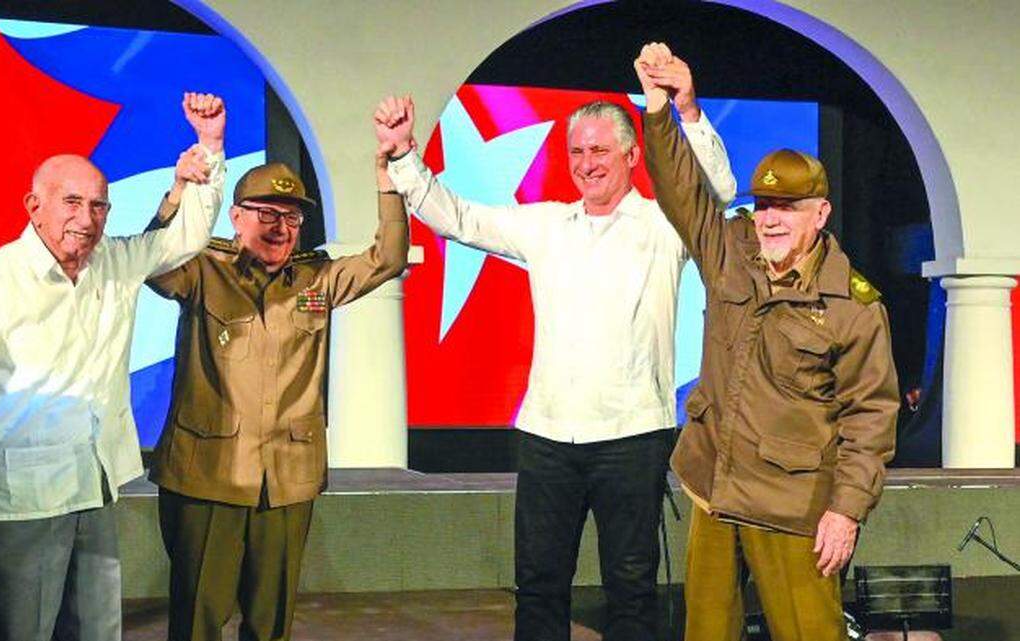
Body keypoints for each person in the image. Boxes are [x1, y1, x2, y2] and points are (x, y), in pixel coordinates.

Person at [374, 89, 736, 640]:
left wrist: (687, 112)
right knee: (540, 589)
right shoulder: (547, 225)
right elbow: (458, 218)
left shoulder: (664, 225)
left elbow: (717, 190)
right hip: (546, 438)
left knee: (631, 590)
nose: (586, 164)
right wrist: (402, 157)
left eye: (599, 152)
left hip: (633, 437)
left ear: (632, 156)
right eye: (576, 153)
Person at [0, 92, 227, 641]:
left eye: (99, 206)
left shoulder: (114, 261)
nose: (87, 219)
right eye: (72, 203)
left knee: (98, 634)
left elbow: (185, 238)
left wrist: (210, 145)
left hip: (94, 488)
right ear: (34, 206)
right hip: (18, 502)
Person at [635, 42, 899, 641]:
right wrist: (661, 112)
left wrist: (846, 511)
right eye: (763, 205)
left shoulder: (852, 307)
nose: (771, 218)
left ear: (820, 213)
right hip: (715, 490)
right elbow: (682, 192)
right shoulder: (731, 252)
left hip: (794, 506)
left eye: (788, 206)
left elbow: (871, 419)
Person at [144, 144, 409, 641]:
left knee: (272, 624)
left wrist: (387, 179)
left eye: (291, 217)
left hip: (286, 481)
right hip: (208, 478)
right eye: (267, 214)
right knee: (198, 619)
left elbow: (388, 258)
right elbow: (153, 267)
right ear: (237, 217)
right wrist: (178, 192)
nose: (281, 227)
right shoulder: (204, 269)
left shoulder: (317, 279)